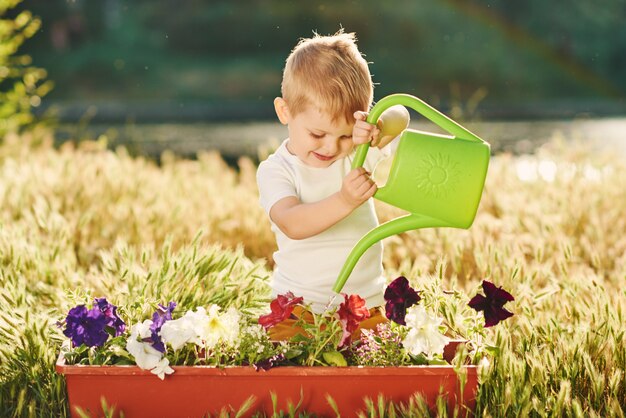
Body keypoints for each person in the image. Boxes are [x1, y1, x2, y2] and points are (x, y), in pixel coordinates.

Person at [256, 30, 410, 340]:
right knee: (287, 363)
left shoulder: (356, 154)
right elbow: (292, 223)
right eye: (317, 134)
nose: (331, 147)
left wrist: (377, 128)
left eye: (343, 135)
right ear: (285, 112)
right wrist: (343, 201)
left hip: (365, 306)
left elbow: (401, 115)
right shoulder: (277, 170)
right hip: (299, 309)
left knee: (376, 362)